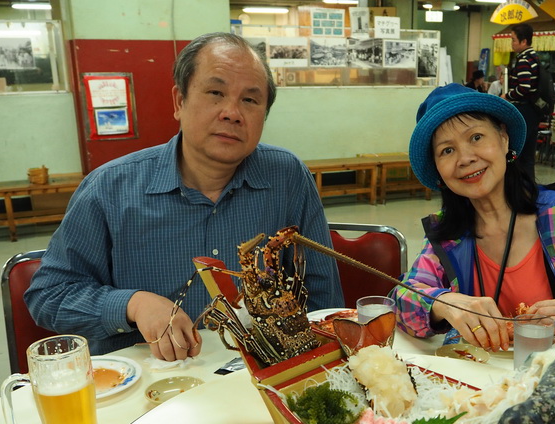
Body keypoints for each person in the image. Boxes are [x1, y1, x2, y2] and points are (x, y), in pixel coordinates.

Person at [26, 33, 343, 361]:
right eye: (215, 93)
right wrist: (133, 304)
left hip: (263, 372)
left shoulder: (287, 177)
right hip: (153, 377)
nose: (232, 112)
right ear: (179, 101)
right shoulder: (108, 189)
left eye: (250, 100)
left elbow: (323, 296)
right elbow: (49, 295)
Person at [394, 84, 555, 353]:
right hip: (478, 377)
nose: (465, 158)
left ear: (504, 138)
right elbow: (402, 299)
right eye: (447, 150)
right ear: (438, 168)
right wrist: (443, 303)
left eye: (476, 137)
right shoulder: (448, 234)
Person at [503, 23, 543, 181]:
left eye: (513, 40)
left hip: (524, 111)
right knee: (528, 156)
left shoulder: (524, 60)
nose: (512, 43)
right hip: (534, 110)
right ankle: (529, 188)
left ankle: (516, 187)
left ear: (524, 41)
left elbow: (524, 88)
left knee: (516, 152)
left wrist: (507, 96)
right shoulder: (535, 58)